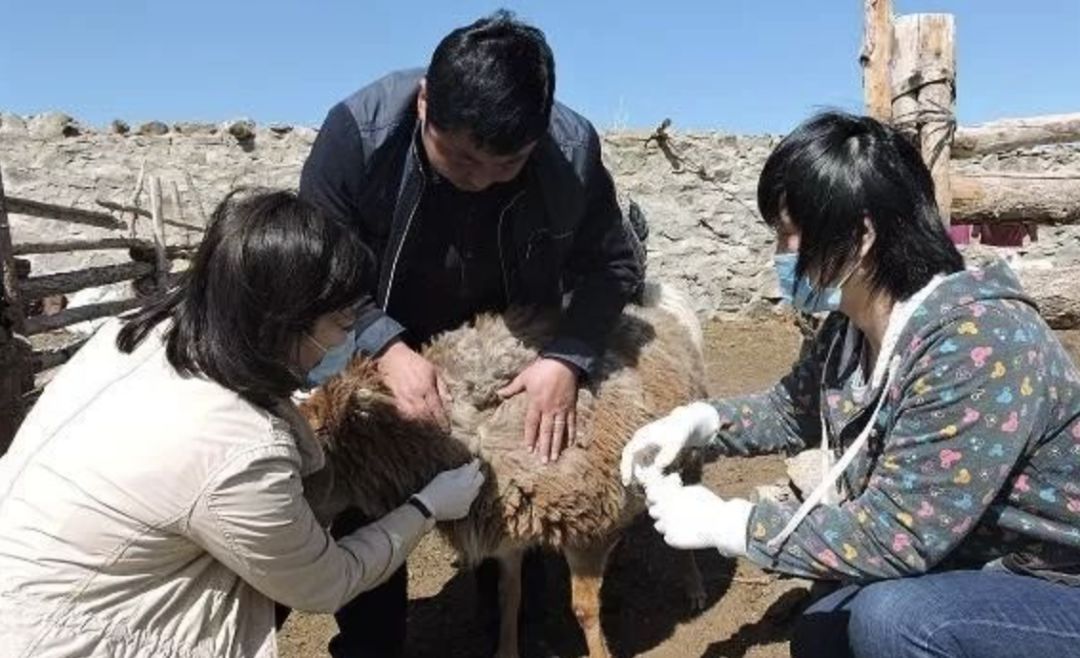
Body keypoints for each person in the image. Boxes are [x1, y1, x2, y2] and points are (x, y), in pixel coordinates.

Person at [621, 112, 1080, 658]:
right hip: (973, 560)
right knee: (821, 630)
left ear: (861, 235)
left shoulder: (979, 344)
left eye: (789, 234)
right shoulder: (850, 329)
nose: (779, 255)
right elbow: (792, 409)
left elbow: (898, 535)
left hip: (1052, 578)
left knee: (897, 622)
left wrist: (733, 524)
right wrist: (699, 424)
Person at [0, 190, 484, 658]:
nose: (351, 338)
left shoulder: (135, 337)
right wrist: (426, 507)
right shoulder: (238, 453)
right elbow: (327, 581)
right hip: (72, 639)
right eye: (341, 323)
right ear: (284, 320)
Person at [299, 11, 644, 655]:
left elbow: (613, 263)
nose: (480, 178)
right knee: (368, 476)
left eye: (505, 164)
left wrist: (566, 358)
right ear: (426, 101)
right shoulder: (359, 137)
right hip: (379, 324)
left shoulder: (570, 151)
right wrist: (383, 344)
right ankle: (372, 642)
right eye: (459, 157)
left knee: (521, 477)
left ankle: (512, 622)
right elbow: (317, 266)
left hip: (507, 335)